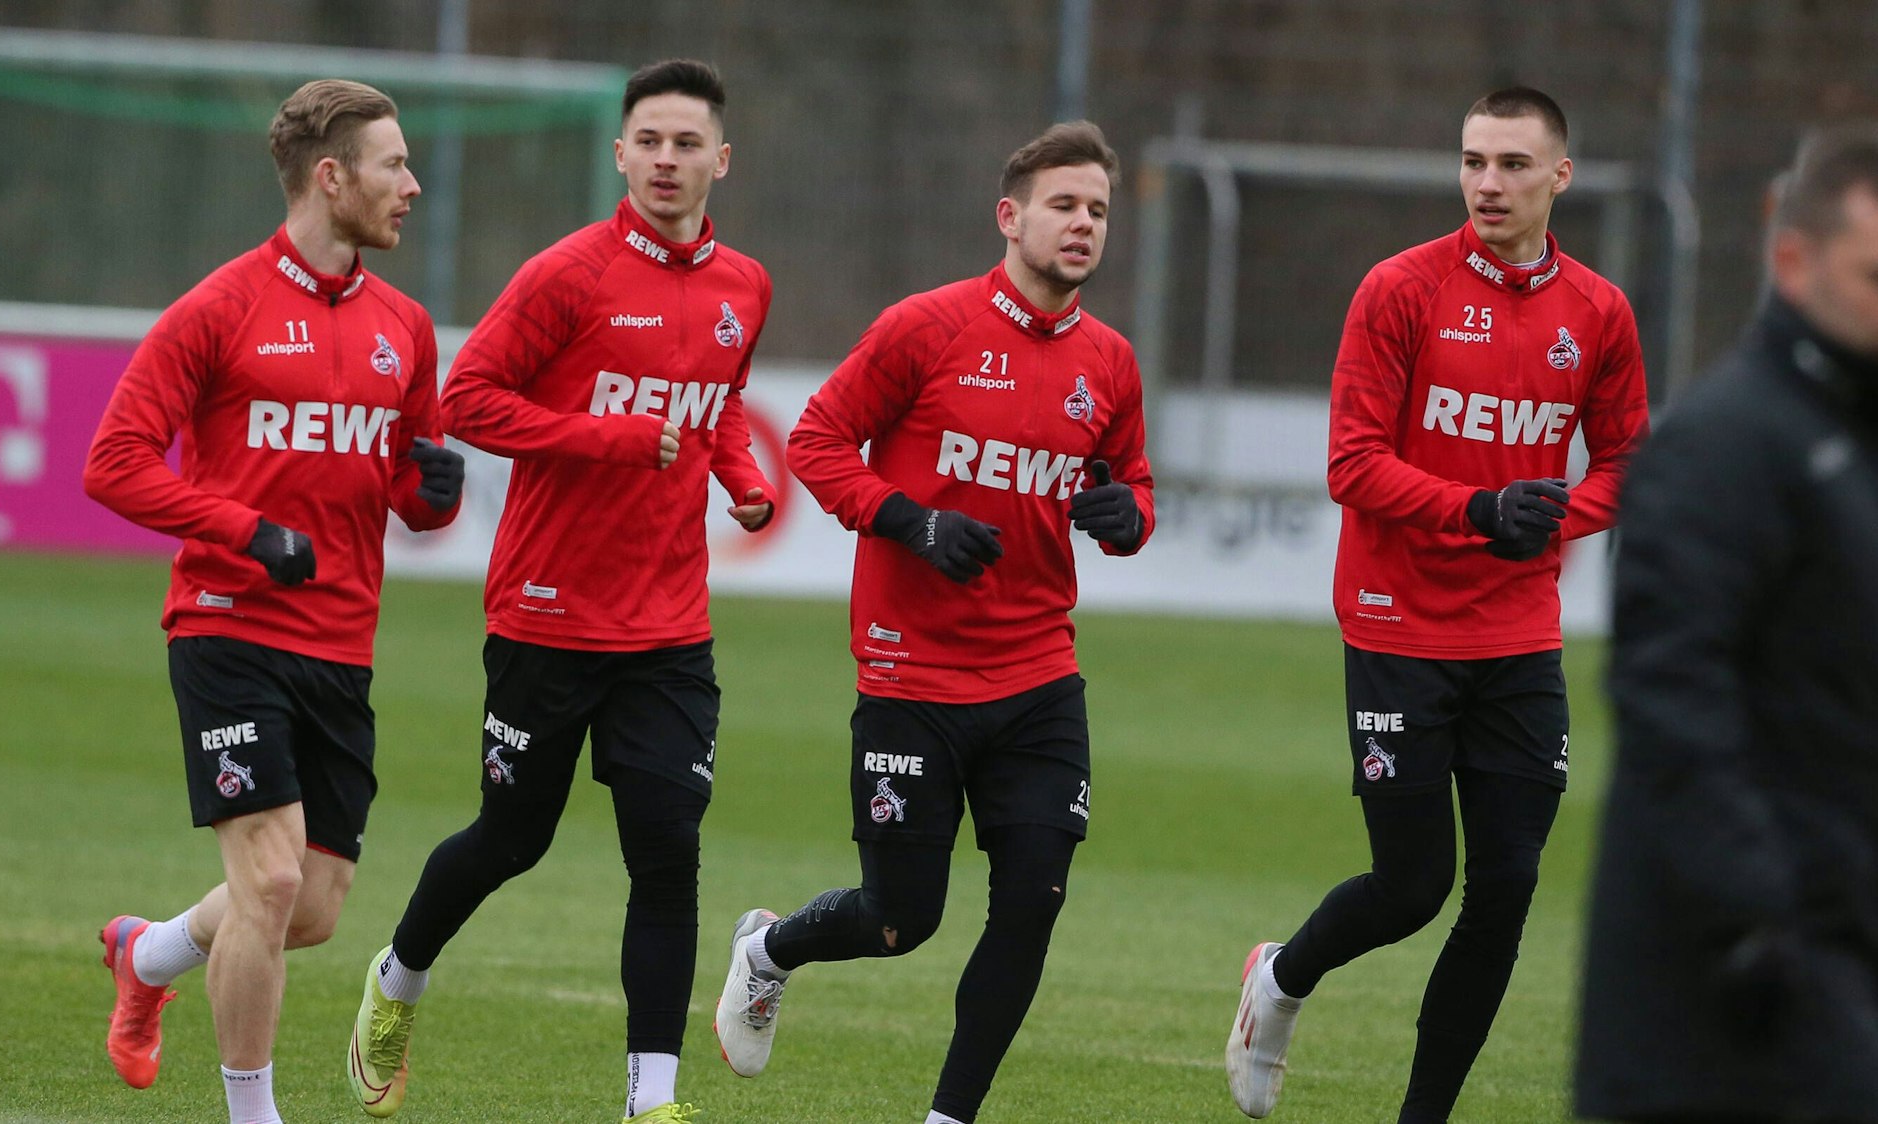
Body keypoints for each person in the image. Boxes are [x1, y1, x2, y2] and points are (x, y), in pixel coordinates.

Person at [344, 58, 775, 1124]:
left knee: (668, 848)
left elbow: (713, 411)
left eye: (689, 143)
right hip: (545, 610)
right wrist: (609, 437)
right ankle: (397, 978)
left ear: (721, 159)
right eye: (650, 142)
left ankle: (652, 1101)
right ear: (620, 152)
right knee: (512, 836)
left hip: (669, 625)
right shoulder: (567, 275)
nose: (668, 160)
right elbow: (468, 401)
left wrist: (745, 481)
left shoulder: (745, 286)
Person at [711, 120, 1155, 1124]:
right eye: (1063, 205)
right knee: (902, 918)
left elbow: (1129, 486)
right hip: (913, 678)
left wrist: (1128, 517)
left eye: (1097, 210)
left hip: (1040, 674)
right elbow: (818, 440)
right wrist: (911, 520)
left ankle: (949, 1114)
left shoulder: (1112, 363)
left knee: (1034, 898)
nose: (1082, 224)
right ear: (1010, 217)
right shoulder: (927, 326)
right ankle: (769, 948)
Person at [1223, 86, 1648, 1122]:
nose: (1488, 182)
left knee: (1503, 889)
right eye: (1472, 161)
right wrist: (1477, 507)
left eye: (1511, 163)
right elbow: (1352, 463)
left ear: (1562, 176)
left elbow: (1629, 461)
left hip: (1517, 637)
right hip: (1396, 623)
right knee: (1413, 885)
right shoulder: (1400, 289)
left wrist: (1548, 521)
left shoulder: (1597, 310)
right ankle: (1279, 978)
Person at [82, 79, 463, 1124]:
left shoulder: (406, 327)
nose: (413, 185)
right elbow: (112, 464)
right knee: (268, 878)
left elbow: (405, 484)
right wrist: (244, 531)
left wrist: (428, 493)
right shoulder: (219, 308)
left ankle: (148, 952)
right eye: (393, 165)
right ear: (330, 177)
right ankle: (255, 1112)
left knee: (311, 904)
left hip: (341, 644)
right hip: (227, 627)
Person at [1575, 124, 1878, 1124]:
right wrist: (1757, 918)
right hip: (1737, 983)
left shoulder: (1848, 441)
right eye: (1875, 274)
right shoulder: (1724, 443)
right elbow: (1671, 697)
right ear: (1792, 261)